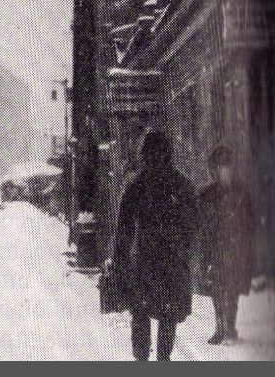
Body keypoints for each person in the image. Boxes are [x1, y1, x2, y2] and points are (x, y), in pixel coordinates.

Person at [109, 129, 196, 361]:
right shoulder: (181, 184)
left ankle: (142, 361)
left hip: (145, 261)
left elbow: (124, 231)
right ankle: (162, 361)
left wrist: (119, 262)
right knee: (165, 315)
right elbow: (193, 224)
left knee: (141, 313)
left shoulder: (136, 184)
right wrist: (182, 246)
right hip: (169, 262)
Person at [197, 145, 255, 345]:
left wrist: (247, 250)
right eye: (220, 167)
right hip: (214, 248)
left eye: (227, 166)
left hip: (236, 248)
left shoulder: (241, 193)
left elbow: (249, 225)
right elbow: (201, 224)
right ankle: (220, 325)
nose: (224, 171)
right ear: (213, 170)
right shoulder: (205, 195)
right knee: (216, 286)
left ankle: (230, 324)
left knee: (233, 287)